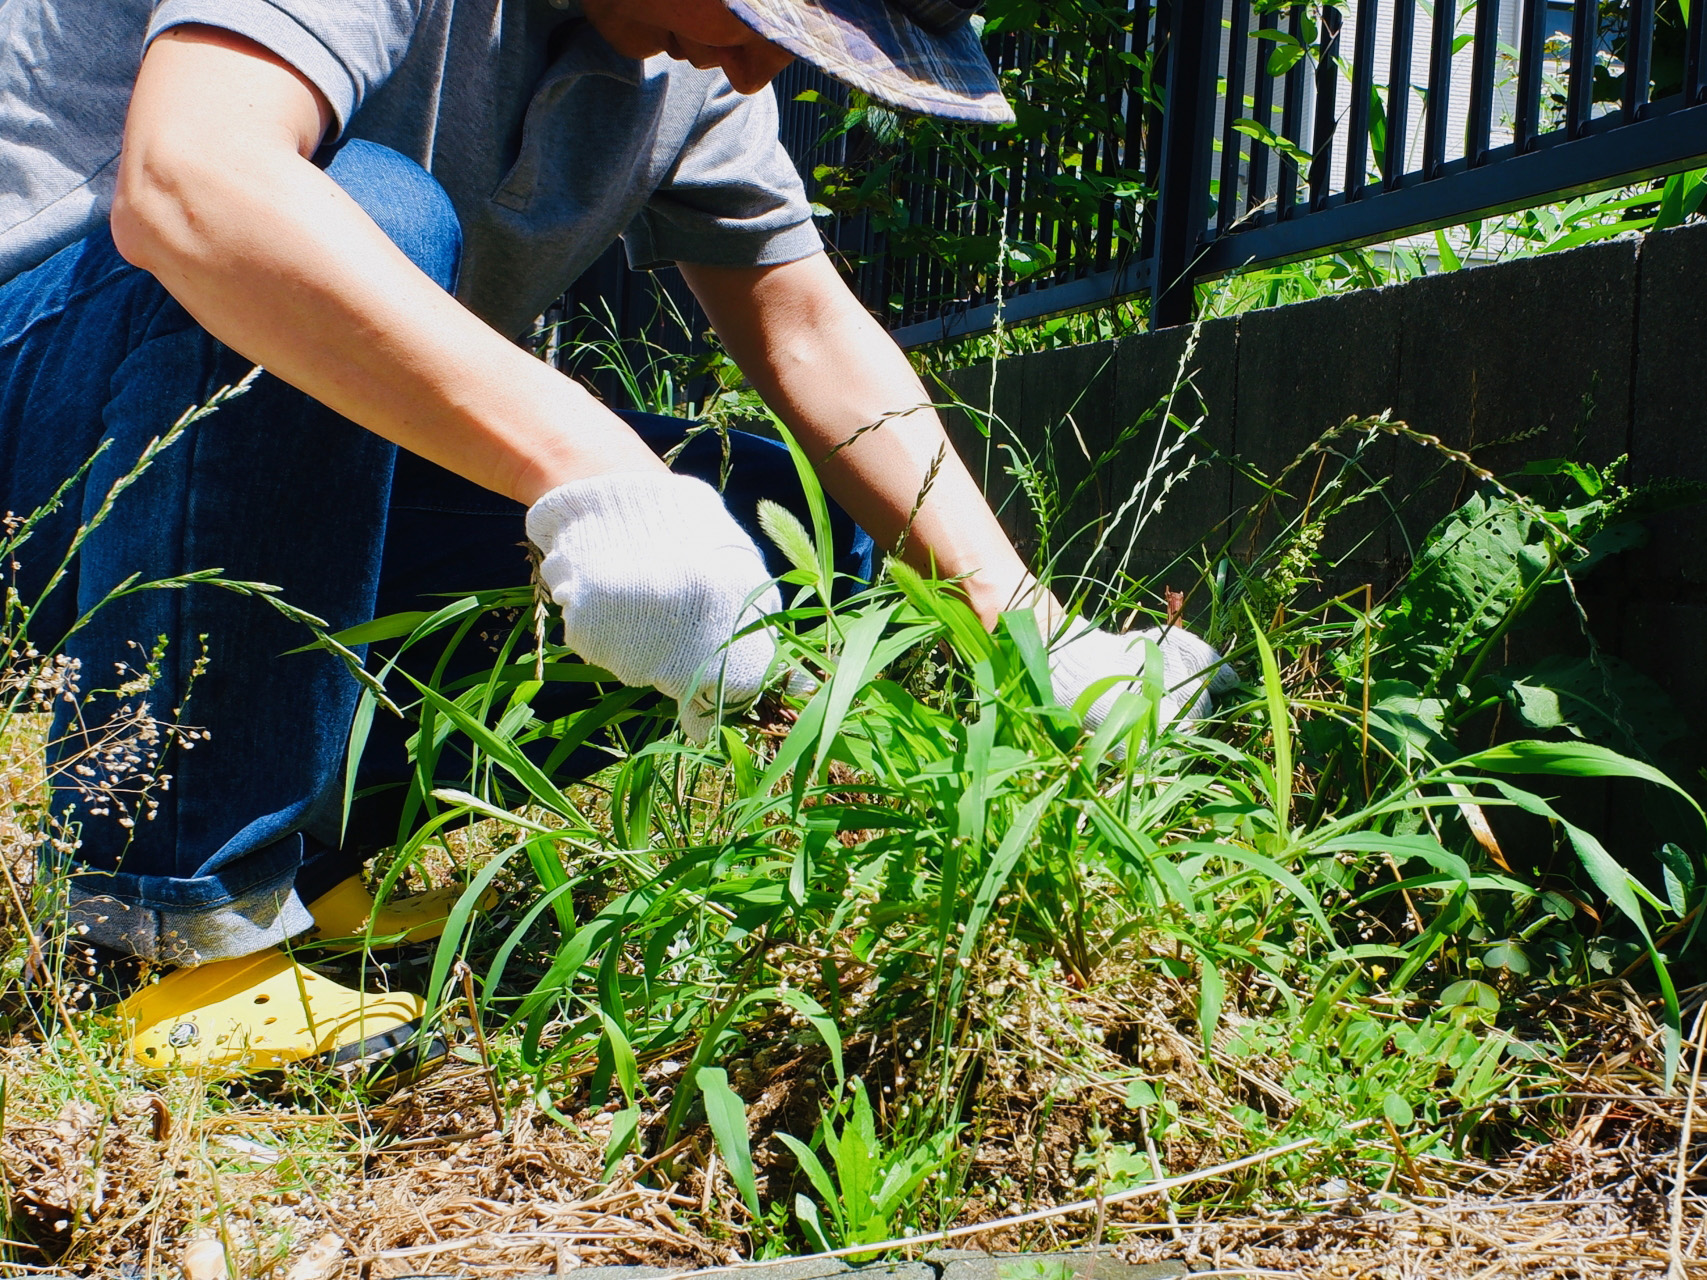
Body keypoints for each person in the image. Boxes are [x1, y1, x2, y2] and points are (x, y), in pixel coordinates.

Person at [0, 0, 1229, 1083]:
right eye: (780, 20)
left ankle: (300, 857)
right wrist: (593, 473)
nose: (766, 72)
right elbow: (195, 184)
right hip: (48, 420)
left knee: (789, 531)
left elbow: (804, 329)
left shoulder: (681, 62)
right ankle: (162, 919)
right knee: (362, 205)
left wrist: (1032, 630)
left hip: (217, 456)